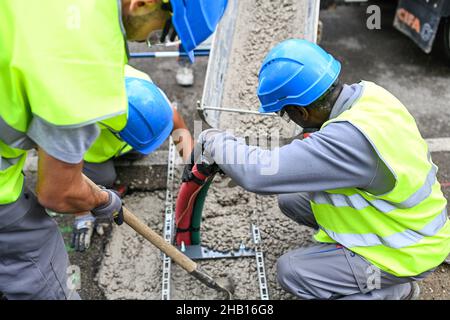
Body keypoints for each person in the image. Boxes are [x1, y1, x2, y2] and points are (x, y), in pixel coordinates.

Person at [0, 0, 227, 299]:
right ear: (143, 3)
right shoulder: (88, 76)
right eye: (168, 29)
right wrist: (99, 200)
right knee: (39, 259)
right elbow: (58, 191)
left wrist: (191, 161)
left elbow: (173, 119)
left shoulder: (135, 83)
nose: (156, 37)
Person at [192, 39, 450, 300]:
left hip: (409, 250)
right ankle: (364, 269)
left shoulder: (347, 140)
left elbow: (259, 174)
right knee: (292, 199)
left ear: (301, 112)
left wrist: (214, 141)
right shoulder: (370, 96)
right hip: (408, 219)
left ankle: (394, 291)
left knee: (292, 272)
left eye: (285, 113)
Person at [71, 66, 194, 252]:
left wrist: (191, 162)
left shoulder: (143, 89)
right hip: (89, 153)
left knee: (141, 152)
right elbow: (65, 165)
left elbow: (174, 119)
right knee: (103, 178)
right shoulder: (82, 117)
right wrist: (82, 212)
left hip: (125, 141)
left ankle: (132, 149)